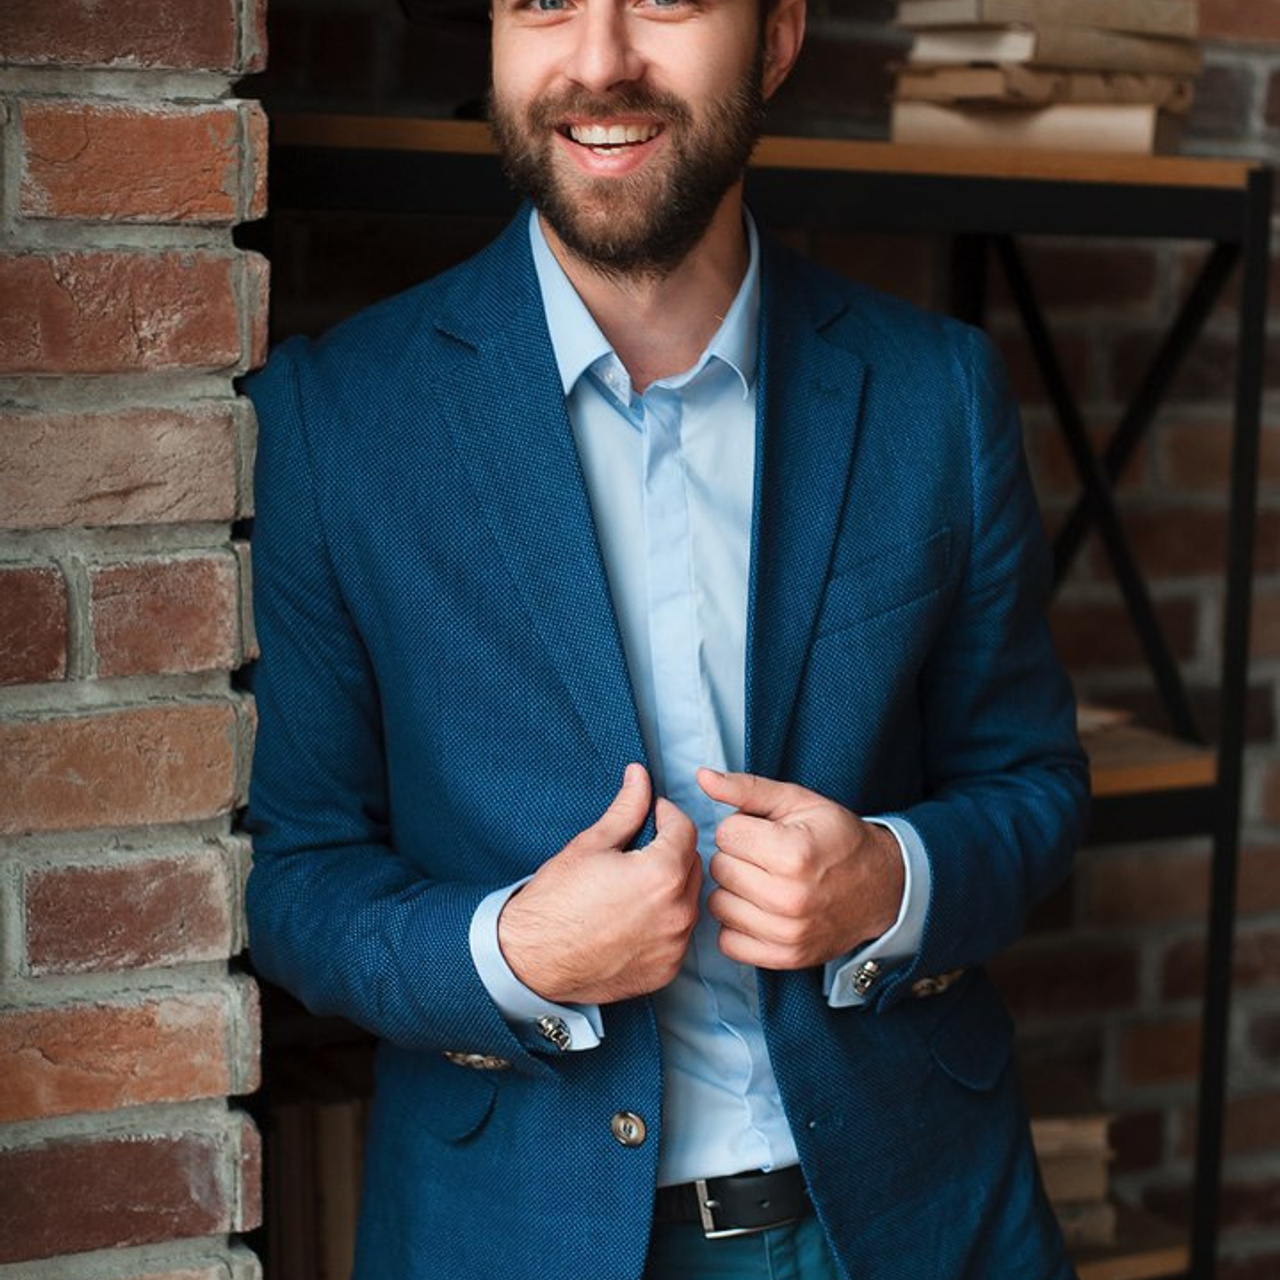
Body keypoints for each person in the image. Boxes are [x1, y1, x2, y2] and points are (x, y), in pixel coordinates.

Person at [244, 0, 1090, 1275]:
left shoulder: (936, 391)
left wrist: (888, 880)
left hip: (913, 1214)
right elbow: (298, 878)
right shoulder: (333, 417)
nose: (598, 62)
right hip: (521, 1236)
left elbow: (1033, 785)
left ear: (777, 38)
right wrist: (510, 951)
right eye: (541, 0)